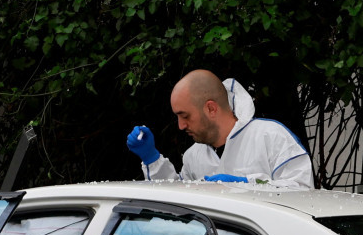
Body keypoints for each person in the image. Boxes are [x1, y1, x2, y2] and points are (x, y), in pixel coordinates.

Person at [126, 70, 314, 188]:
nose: (181, 126)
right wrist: (152, 159)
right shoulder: (194, 155)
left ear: (211, 108)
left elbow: (302, 191)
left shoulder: (270, 136)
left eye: (185, 116)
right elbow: (177, 204)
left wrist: (246, 185)